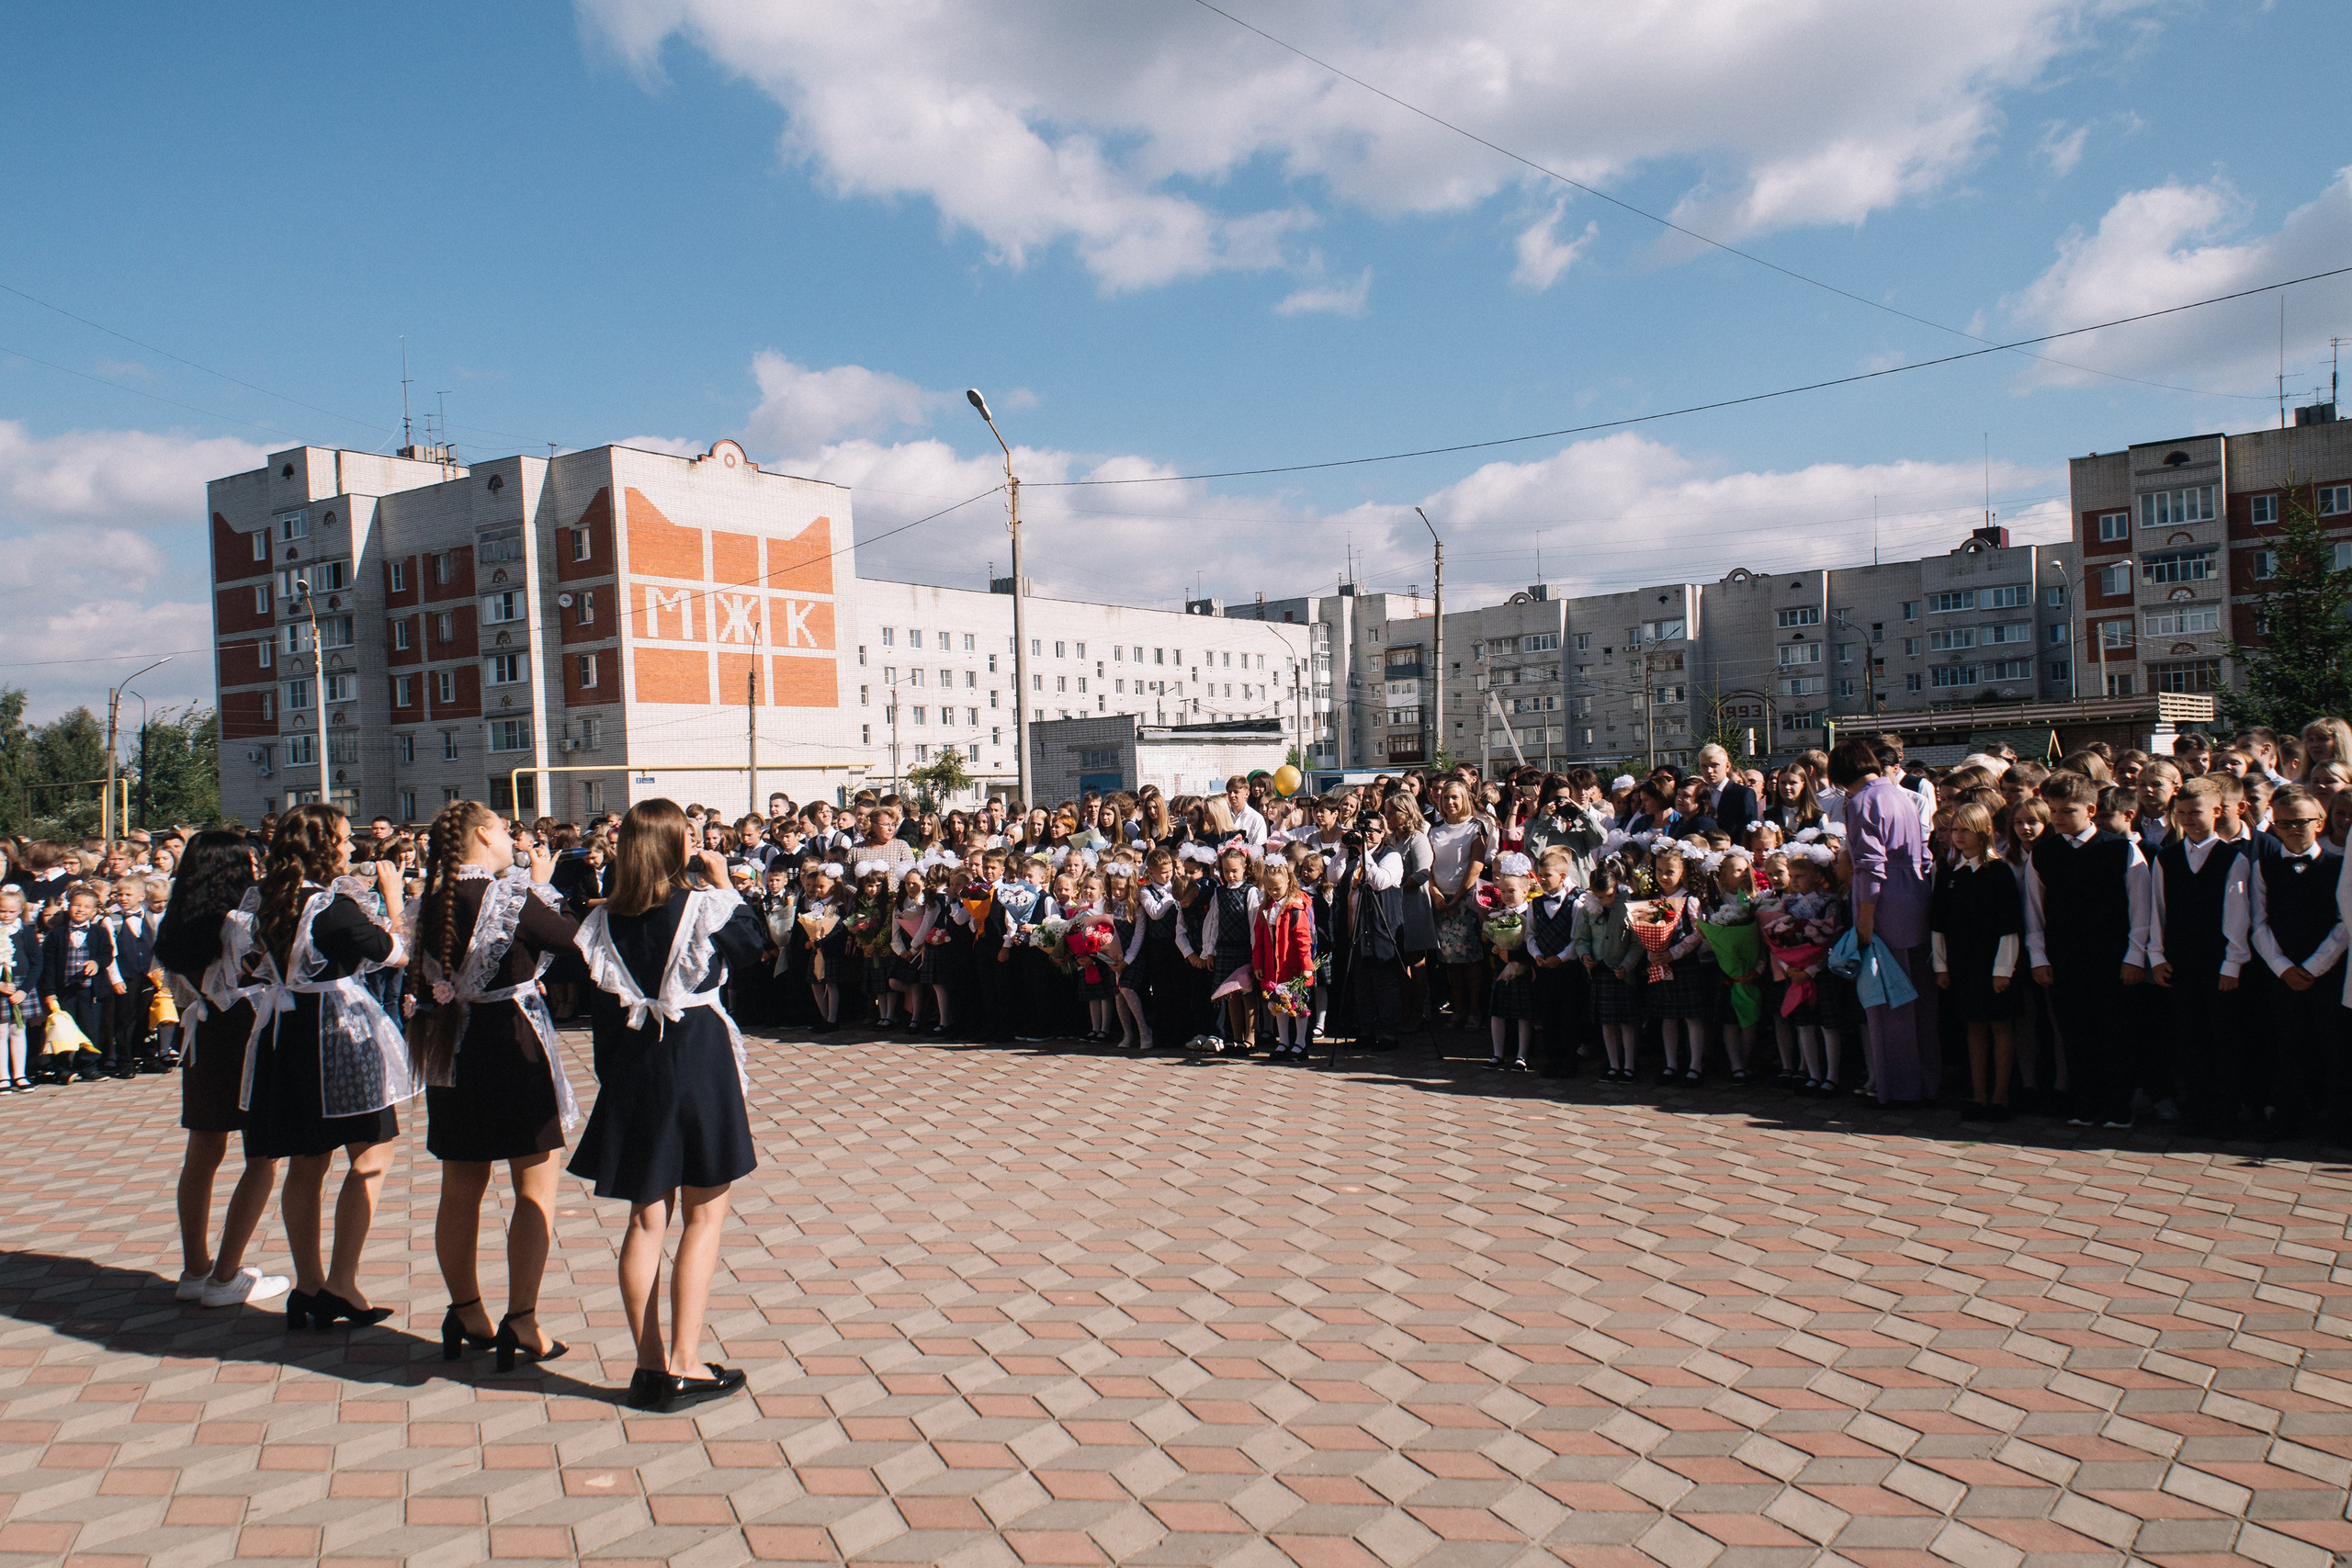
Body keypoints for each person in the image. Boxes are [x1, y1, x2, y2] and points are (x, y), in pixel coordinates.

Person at [570, 799, 763, 1413]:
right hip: (696, 1057)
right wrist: (725, 879)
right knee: (704, 1215)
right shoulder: (705, 904)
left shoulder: (604, 920)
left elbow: (600, 1012)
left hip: (635, 1063)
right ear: (675, 842)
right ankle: (684, 1360)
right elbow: (756, 949)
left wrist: (618, 1082)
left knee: (644, 1217)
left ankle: (649, 1364)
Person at [413, 800, 582, 1371]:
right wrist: (542, 888)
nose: (514, 836)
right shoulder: (507, 897)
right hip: (512, 1048)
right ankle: (523, 1319)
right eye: (506, 828)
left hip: (453, 1050)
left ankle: (465, 1308)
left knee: (460, 1186)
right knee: (534, 1187)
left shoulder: (433, 898)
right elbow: (574, 941)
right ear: (484, 833)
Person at [244, 805, 413, 1330]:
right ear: (321, 847)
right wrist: (392, 897)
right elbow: (396, 953)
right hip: (335, 1035)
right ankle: (341, 1281)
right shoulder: (331, 906)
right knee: (373, 1152)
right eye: (343, 839)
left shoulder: (268, 900)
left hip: (286, 1037)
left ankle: (309, 1284)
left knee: (306, 1160)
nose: (350, 847)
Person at [153, 830, 288, 1308]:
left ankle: (196, 1268)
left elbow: (183, 989)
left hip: (204, 1036)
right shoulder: (242, 922)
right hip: (248, 1032)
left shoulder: (175, 922)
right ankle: (227, 1276)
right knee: (263, 1154)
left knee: (202, 1151)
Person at [2024, 772, 2150, 1130]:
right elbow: (2034, 912)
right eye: (2053, 811)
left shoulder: (2121, 849)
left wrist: (2134, 957)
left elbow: (2140, 910)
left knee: (2116, 1032)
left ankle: (2118, 1106)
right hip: (2066, 959)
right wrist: (2040, 958)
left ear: (2091, 809)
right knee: (2076, 1034)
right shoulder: (2044, 854)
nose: (2059, 818)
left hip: (2113, 959)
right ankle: (2085, 1102)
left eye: (2068, 810)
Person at [2144, 778, 2253, 1137]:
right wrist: (2157, 957)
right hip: (2180, 962)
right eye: (2183, 814)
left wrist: (2232, 963)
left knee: (2223, 1039)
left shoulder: (2232, 859)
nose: (2189, 820)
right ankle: (2198, 1109)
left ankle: (2225, 1113)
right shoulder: (2167, 858)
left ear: (2217, 812)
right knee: (2188, 1039)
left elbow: (2237, 916)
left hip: (2218, 965)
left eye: (2196, 812)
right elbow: (2158, 911)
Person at [1835, 739, 1938, 1105]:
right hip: (1915, 895)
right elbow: (1924, 852)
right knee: (1919, 998)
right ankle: (1926, 1080)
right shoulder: (1901, 795)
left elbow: (1870, 866)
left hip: (1884, 903)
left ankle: (1898, 1087)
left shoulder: (1862, 801)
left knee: (1887, 997)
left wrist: (1864, 918)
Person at [2256, 785, 2345, 1140]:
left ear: (2320, 822)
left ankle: (2338, 1120)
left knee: (2333, 1046)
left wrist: (2313, 967)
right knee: (2288, 1045)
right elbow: (2257, 922)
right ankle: (2290, 1118)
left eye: (2302, 822)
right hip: (2281, 974)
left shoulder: (2338, 866)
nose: (2293, 828)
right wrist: (2283, 967)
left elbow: (2344, 923)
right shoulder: (2263, 867)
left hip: (2328, 972)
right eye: (2284, 823)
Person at [1930, 803, 2024, 1122]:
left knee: (2000, 1026)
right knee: (1973, 1027)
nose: (1957, 836)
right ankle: (1979, 1094)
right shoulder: (1947, 871)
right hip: (1962, 962)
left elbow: (2009, 924)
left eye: (1964, 830)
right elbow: (1938, 922)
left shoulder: (1999, 871)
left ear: (1984, 831)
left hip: (1995, 963)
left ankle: (2000, 1096)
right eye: (1954, 830)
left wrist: (2003, 970)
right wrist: (1941, 966)